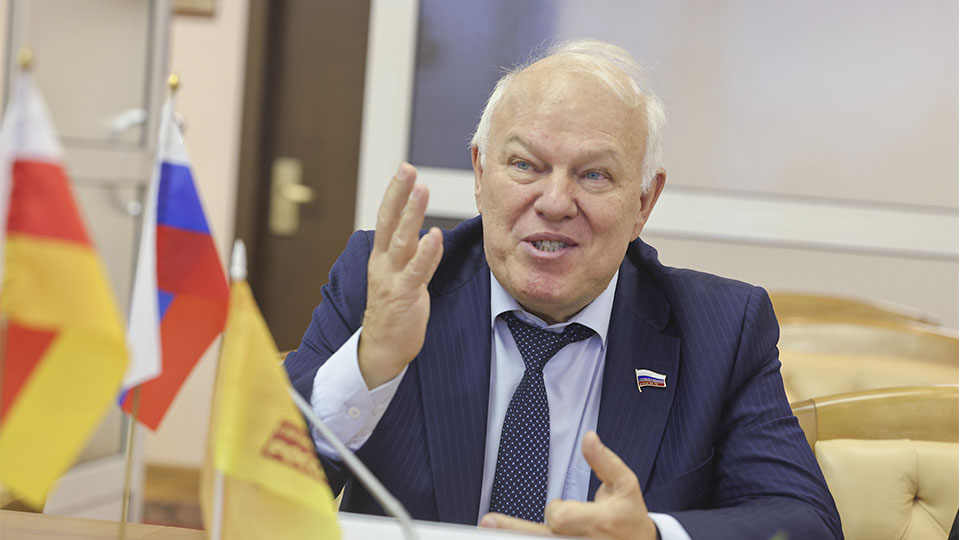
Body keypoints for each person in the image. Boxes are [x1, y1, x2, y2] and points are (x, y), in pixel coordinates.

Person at [285, 39, 842, 539]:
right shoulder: (389, 283)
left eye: (594, 175)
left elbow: (803, 522)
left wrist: (652, 536)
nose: (554, 203)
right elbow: (253, 477)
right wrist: (370, 365)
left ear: (643, 202)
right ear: (480, 174)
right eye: (525, 165)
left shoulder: (721, 330)